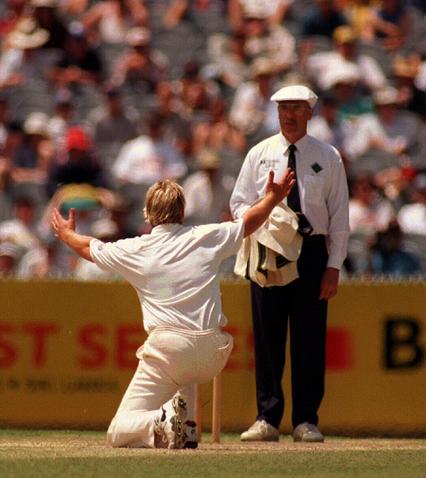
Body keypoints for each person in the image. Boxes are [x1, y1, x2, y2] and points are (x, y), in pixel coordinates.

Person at [51, 170, 296, 449]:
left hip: (170, 351)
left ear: (147, 214)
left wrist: (66, 233)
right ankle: (186, 430)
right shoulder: (206, 235)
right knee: (184, 371)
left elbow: (89, 247)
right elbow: (248, 222)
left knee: (118, 431)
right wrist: (273, 198)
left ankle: (164, 421)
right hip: (212, 353)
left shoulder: (136, 249)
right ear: (182, 212)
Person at [230, 85, 350, 443]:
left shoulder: (327, 156)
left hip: (312, 251)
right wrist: (266, 213)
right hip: (268, 247)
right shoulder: (259, 153)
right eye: (283, 108)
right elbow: (237, 204)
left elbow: (339, 216)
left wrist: (333, 266)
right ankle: (267, 417)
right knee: (267, 336)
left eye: (297, 107)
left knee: (309, 338)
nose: (289, 114)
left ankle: (306, 419)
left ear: (310, 112)